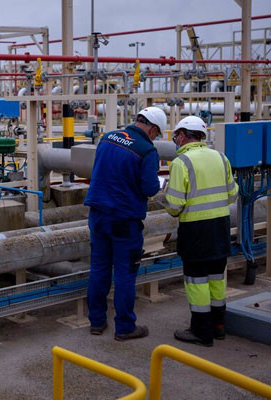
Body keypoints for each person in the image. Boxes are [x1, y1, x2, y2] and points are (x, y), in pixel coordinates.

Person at [84, 107, 167, 340]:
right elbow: (149, 188)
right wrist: (160, 184)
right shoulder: (146, 150)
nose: (155, 138)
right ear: (152, 128)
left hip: (97, 213)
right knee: (124, 273)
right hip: (124, 219)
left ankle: (96, 322)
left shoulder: (108, 137)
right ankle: (124, 327)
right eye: (157, 134)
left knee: (99, 268)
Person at [164, 116, 238, 347]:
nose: (176, 140)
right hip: (221, 228)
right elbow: (232, 194)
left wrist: (163, 196)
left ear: (183, 136)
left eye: (177, 136)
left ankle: (201, 332)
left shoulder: (181, 163)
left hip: (195, 231)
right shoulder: (221, 157)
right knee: (216, 278)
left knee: (196, 282)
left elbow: (174, 207)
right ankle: (218, 326)